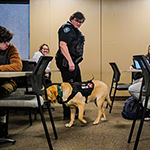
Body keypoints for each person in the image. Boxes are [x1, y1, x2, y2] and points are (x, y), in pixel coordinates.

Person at [55, 11, 85, 119]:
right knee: (68, 87)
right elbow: (63, 45)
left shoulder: (76, 31)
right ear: (72, 19)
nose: (79, 23)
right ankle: (68, 113)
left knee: (77, 85)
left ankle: (76, 110)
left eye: (81, 22)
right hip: (67, 61)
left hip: (73, 62)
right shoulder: (66, 29)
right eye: (77, 21)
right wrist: (70, 62)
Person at [0, 25, 22, 137]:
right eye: (4, 41)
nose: (7, 43)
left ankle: (2, 125)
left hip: (8, 82)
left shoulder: (11, 49)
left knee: (1, 91)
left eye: (8, 41)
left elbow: (17, 66)